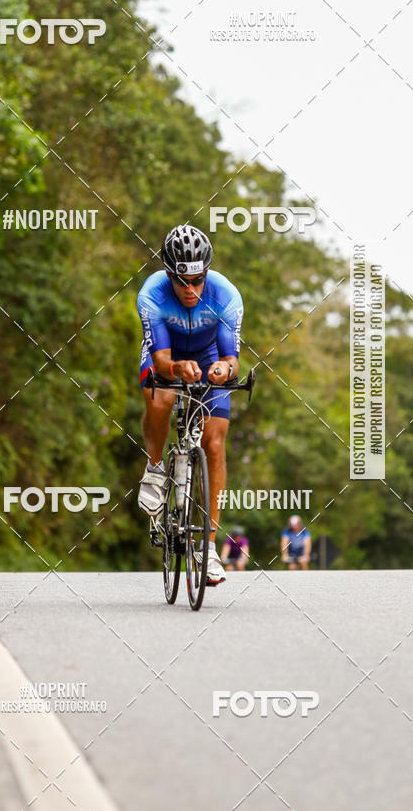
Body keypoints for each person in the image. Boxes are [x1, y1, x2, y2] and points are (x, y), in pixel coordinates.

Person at [136, 225, 243, 586]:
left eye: (198, 280)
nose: (190, 289)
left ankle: (208, 549)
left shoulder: (227, 296)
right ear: (168, 274)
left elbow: (232, 360)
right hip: (167, 355)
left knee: (214, 442)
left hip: (208, 353)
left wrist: (223, 369)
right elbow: (162, 359)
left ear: (206, 273)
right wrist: (176, 368)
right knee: (161, 397)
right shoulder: (152, 295)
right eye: (182, 281)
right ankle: (154, 467)